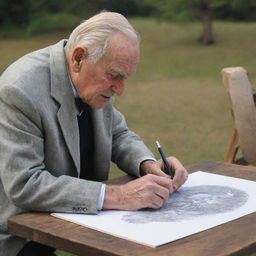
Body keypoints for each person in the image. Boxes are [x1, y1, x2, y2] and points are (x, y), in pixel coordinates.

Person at [0, 11, 188, 256]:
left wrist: (148, 164)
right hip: (19, 238)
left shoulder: (91, 78)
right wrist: (118, 196)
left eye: (125, 78)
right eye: (115, 76)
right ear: (78, 58)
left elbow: (118, 133)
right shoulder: (19, 90)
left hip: (66, 225)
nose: (120, 90)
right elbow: (25, 184)